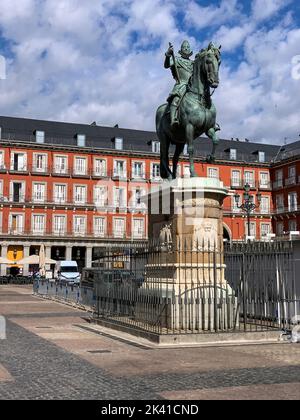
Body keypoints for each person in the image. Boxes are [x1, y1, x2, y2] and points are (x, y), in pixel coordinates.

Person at [164, 40, 194, 128]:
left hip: (192, 86)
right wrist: (168, 54)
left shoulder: (193, 63)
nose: (186, 48)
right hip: (181, 84)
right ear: (181, 49)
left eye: (188, 47)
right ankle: (173, 118)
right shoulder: (176, 59)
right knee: (176, 99)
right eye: (184, 47)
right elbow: (166, 65)